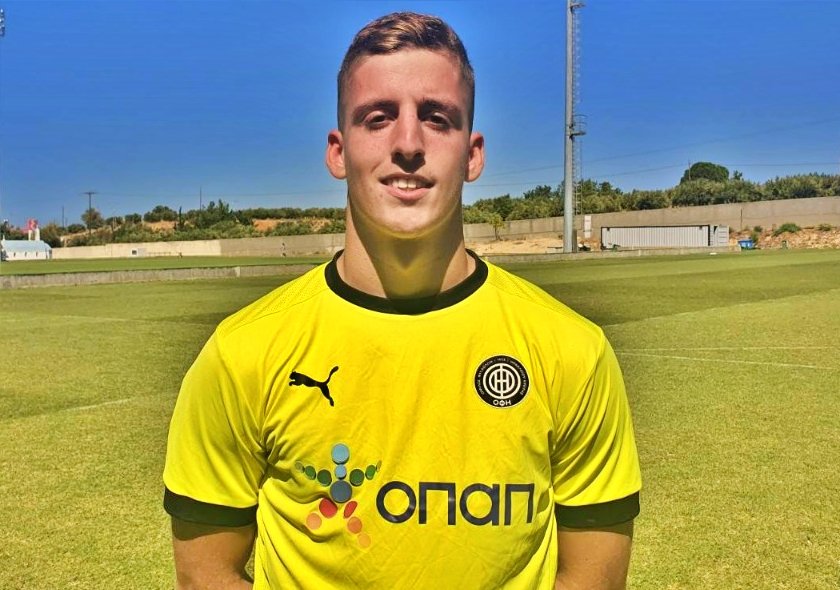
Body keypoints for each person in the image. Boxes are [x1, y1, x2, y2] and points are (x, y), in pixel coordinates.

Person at [163, 11, 641, 589]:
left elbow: (592, 579)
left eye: (437, 118)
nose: (408, 144)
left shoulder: (572, 351)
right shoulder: (241, 353)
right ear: (338, 151)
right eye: (378, 117)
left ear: (473, 153)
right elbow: (205, 574)